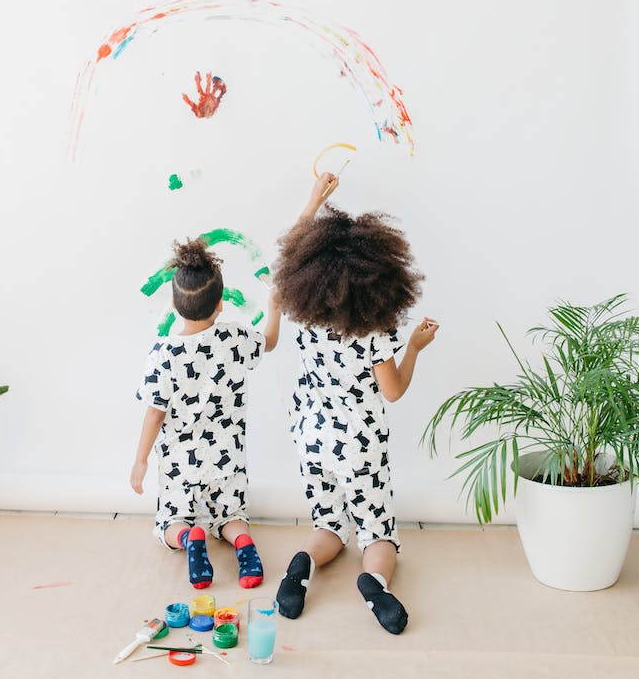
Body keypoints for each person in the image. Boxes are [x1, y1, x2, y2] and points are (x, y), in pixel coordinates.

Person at [272, 173, 438, 633]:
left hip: (310, 437)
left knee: (327, 525)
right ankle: (374, 583)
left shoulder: (299, 313)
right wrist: (415, 348)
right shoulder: (373, 331)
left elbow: (279, 259)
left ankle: (300, 570)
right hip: (360, 444)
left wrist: (311, 202)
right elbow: (393, 390)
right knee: (377, 532)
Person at [130, 237, 280, 590]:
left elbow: (154, 413)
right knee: (232, 516)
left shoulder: (163, 354)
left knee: (170, 522)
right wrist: (275, 305)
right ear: (221, 306)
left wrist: (141, 460)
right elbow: (269, 341)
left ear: (174, 304)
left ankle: (187, 539)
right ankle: (242, 543)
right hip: (227, 457)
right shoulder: (235, 337)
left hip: (182, 461)